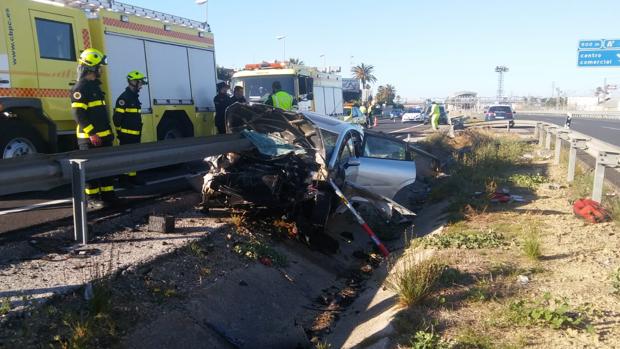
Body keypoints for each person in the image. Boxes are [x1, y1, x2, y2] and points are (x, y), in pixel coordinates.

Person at [71, 48, 117, 207]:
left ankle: (108, 195)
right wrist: (92, 134)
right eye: (99, 67)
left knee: (107, 167)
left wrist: (108, 134)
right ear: (91, 68)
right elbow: (79, 114)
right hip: (90, 138)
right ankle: (92, 199)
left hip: (103, 136)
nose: (101, 71)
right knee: (91, 170)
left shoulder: (95, 87)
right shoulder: (80, 88)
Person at [113, 70, 148, 186]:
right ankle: (123, 180)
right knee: (126, 158)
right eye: (140, 83)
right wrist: (120, 133)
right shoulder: (124, 98)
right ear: (133, 82)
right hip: (126, 135)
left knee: (134, 157)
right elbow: (116, 119)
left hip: (135, 134)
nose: (141, 86)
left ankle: (133, 177)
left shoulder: (134, 97)